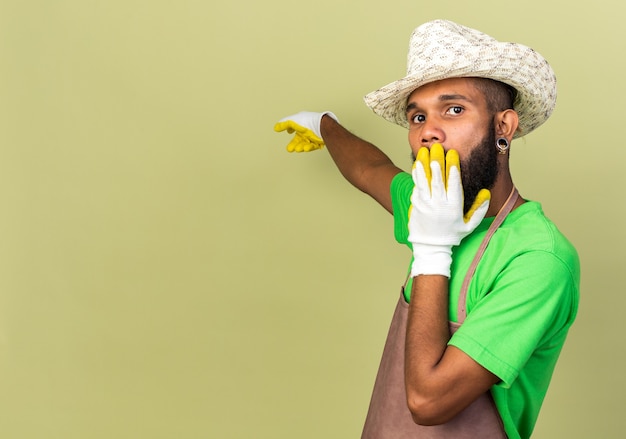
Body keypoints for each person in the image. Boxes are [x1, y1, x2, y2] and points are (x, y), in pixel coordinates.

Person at [274, 19, 579, 439]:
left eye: (454, 109)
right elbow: (370, 169)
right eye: (417, 116)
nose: (428, 132)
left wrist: (433, 247)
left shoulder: (537, 258)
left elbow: (428, 402)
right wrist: (324, 125)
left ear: (504, 127)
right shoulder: (429, 206)